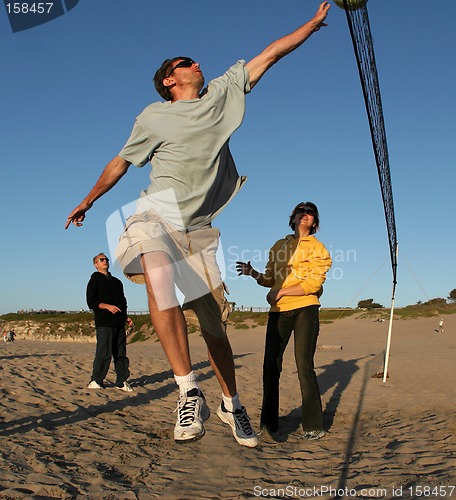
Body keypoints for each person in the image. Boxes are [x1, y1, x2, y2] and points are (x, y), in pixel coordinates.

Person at [65, 2, 331, 447]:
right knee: (156, 272)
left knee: (215, 331)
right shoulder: (153, 116)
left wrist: (311, 24)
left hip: (201, 228)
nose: (196, 63)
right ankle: (188, 390)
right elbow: (121, 161)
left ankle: (231, 403)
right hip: (157, 210)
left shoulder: (223, 93)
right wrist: (89, 199)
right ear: (170, 79)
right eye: (185, 62)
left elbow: (270, 55)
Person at [236, 202, 332, 440]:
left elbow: (313, 284)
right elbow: (270, 279)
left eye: (310, 213)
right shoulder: (279, 246)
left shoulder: (318, 248)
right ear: (293, 217)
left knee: (303, 365)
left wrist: (282, 292)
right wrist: (253, 273)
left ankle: (313, 426)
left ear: (315, 222)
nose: (305, 214)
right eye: (301, 211)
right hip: (278, 311)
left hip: (305, 309)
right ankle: (269, 424)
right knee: (270, 367)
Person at [86, 253, 134, 392]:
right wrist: (107, 306)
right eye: (101, 260)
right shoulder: (94, 281)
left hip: (119, 323)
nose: (105, 261)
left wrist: (125, 317)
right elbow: (91, 302)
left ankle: (121, 381)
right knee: (104, 352)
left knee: (120, 354)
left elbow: (122, 302)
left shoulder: (117, 282)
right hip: (104, 322)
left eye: (106, 259)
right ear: (96, 264)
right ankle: (96, 380)